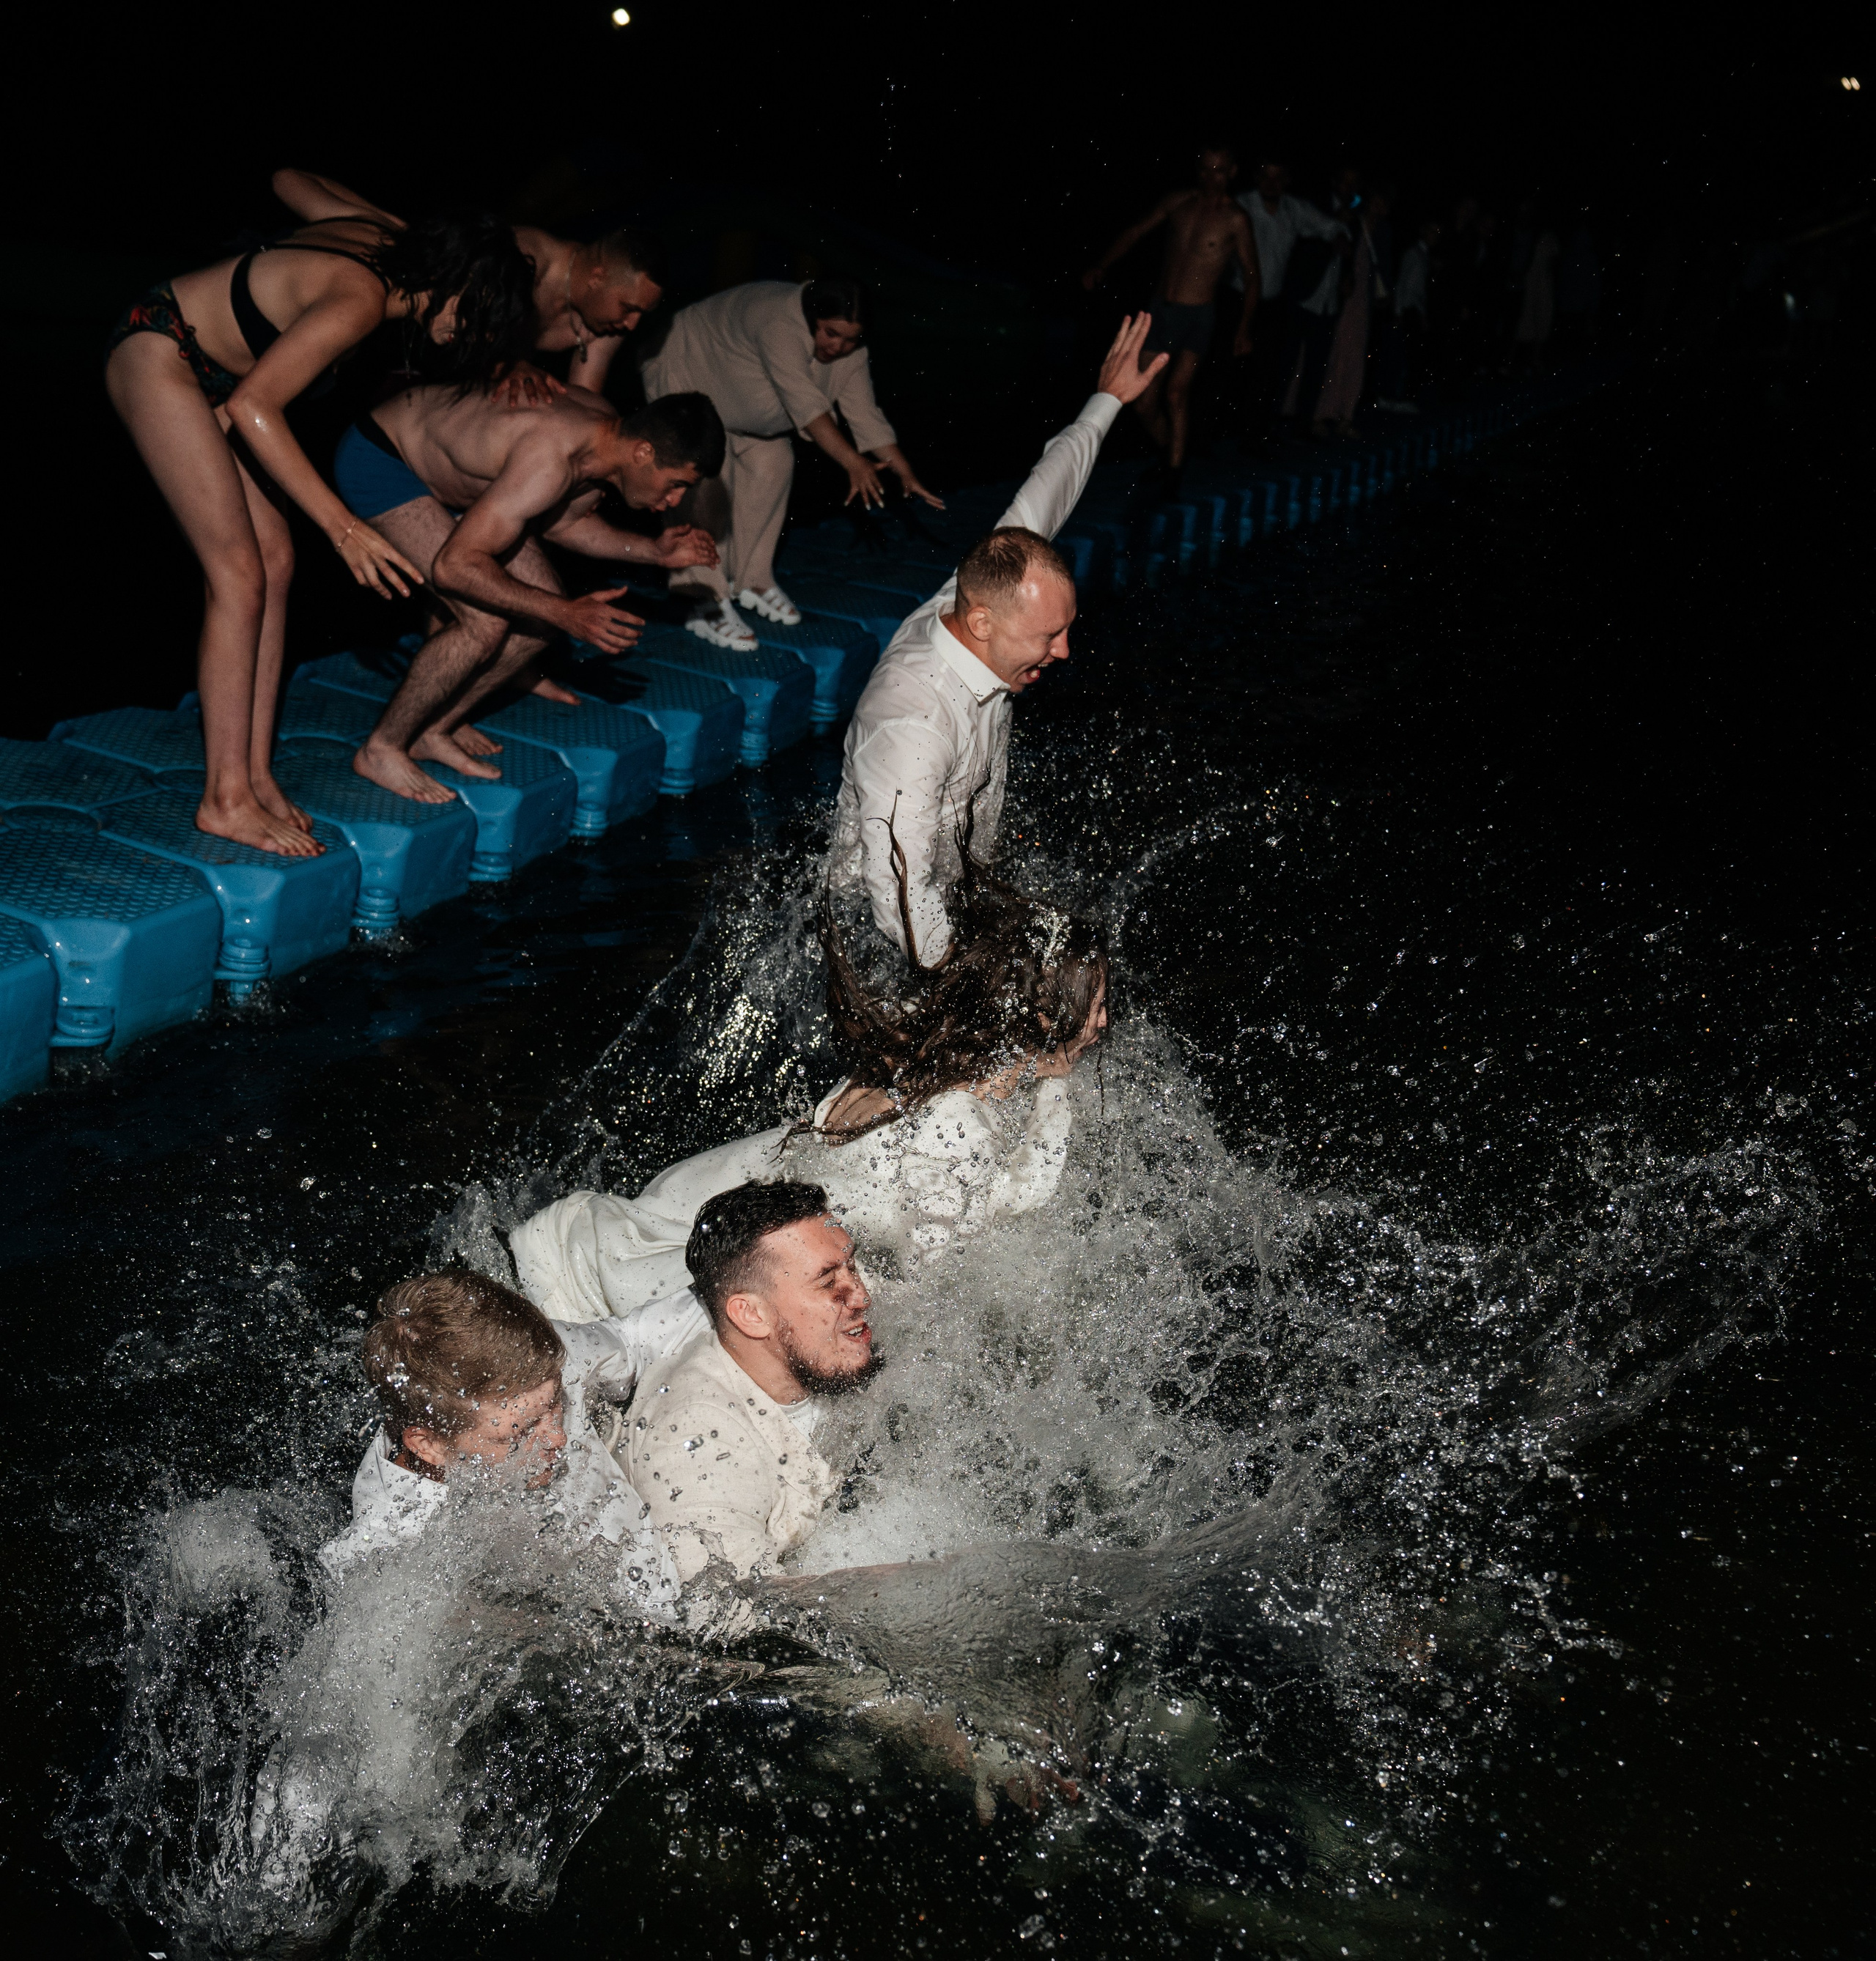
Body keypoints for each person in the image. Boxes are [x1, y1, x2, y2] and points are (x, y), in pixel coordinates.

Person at [106, 171, 535, 854]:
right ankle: (224, 800)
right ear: (454, 278)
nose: (464, 337)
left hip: (219, 379)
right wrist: (346, 528)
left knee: (275, 560)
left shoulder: (394, 245)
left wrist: (408, 229)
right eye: (474, 312)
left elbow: (285, 182)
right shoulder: (362, 297)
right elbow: (254, 407)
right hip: (164, 354)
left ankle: (251, 775)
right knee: (238, 574)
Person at [509, 868, 1109, 1323]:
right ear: (1039, 1014)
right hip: (682, 1281)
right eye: (1098, 1005)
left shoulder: (924, 1050)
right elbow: (945, 1275)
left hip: (685, 1215)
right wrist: (1056, 1087)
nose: (1104, 1023)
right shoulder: (959, 1123)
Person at [828, 314, 1166, 963]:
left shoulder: (980, 594)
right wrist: (985, 989)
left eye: (1066, 629)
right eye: (1049, 635)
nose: (1064, 651)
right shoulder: (911, 719)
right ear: (981, 625)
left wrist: (1108, 401)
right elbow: (899, 895)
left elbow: (1045, 493)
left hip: (954, 891)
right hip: (880, 940)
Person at [333, 385, 724, 799]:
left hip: (455, 484)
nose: (677, 498)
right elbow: (454, 567)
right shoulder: (552, 457)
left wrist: (653, 551)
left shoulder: (606, 449)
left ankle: (433, 729)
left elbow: (562, 524)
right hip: (384, 459)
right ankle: (382, 747)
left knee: (538, 615)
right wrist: (567, 613)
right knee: (485, 622)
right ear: (643, 452)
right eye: (677, 483)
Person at [320, 1268, 677, 1609]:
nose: (557, 1437)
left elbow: (641, 1336)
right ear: (429, 1446)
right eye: (520, 1433)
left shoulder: (537, 1360)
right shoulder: (394, 1559)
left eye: (556, 1405)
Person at [641, 277, 943, 651]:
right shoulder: (779, 324)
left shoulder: (850, 352)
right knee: (702, 477)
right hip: (687, 360)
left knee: (775, 461)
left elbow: (865, 414)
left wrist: (906, 473)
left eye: (852, 339)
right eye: (832, 334)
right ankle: (701, 595)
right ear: (812, 317)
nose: (840, 347)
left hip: (735, 392)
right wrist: (852, 462)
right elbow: (807, 408)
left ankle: (751, 580)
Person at [622, 1181, 879, 1584]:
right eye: (829, 1282)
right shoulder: (698, 1444)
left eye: (852, 1267)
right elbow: (729, 1616)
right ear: (752, 1316)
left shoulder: (829, 1358)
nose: (861, 1296)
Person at [1082, 144, 1259, 482]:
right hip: (1160, 313)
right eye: (1205, 170)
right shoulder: (1179, 203)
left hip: (1198, 317)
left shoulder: (1236, 218)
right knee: (1144, 403)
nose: (1211, 178)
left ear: (1232, 173)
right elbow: (1135, 232)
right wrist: (1101, 265)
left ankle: (1174, 474)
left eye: (1219, 171)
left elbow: (1253, 279)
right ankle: (1172, 453)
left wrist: (1245, 329)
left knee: (1177, 393)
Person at [1232, 160, 1348, 431]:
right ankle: (1211, 438)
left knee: (1267, 370)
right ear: (1256, 178)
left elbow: (1330, 226)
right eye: (1266, 177)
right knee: (1226, 368)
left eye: (1278, 177)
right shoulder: (1241, 204)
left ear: (1287, 181)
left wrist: (1339, 237)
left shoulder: (1294, 209)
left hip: (1271, 301)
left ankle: (1255, 435)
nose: (1272, 183)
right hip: (1236, 297)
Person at [1310, 186, 1390, 438]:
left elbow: (1382, 269)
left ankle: (1346, 415)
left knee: (1355, 359)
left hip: (1362, 304)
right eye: (1377, 200)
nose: (1380, 207)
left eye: (1385, 203)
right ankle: (1320, 415)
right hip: (1341, 299)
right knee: (1333, 355)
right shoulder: (1352, 224)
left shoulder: (1382, 233)